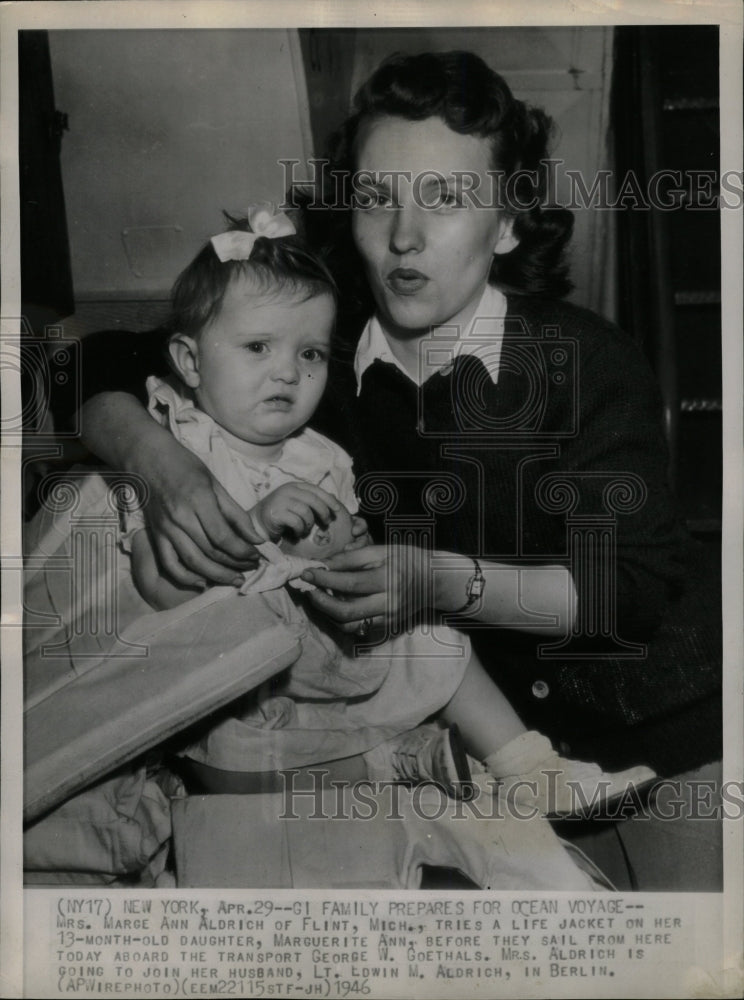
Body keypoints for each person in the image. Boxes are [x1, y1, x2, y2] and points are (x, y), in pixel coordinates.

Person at [69, 51, 721, 889]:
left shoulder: (591, 364)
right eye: (378, 198)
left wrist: (438, 580)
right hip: (478, 745)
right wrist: (166, 473)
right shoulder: (312, 363)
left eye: (447, 199)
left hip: (656, 732)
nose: (404, 237)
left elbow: (620, 593)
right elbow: (92, 367)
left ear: (509, 222)